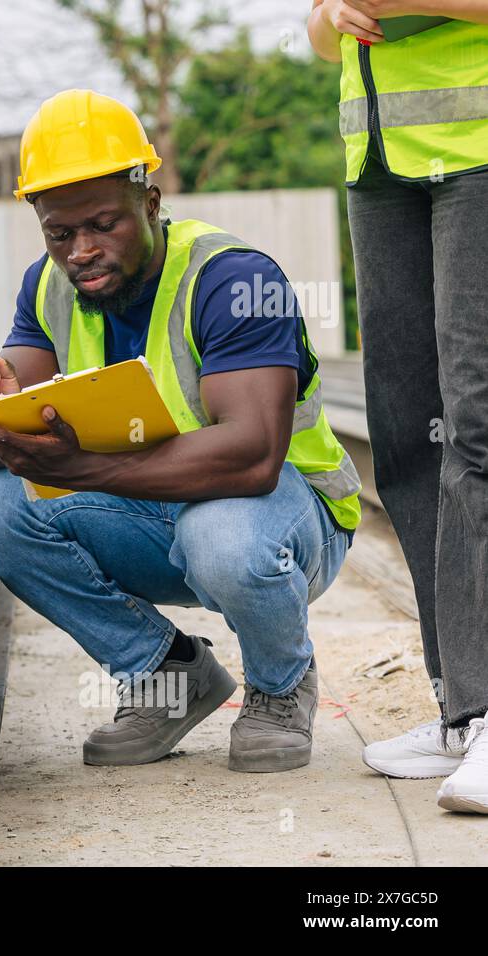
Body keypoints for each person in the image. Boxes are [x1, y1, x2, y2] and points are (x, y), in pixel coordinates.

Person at [0, 89, 362, 773]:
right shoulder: (47, 288)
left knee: (222, 534)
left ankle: (280, 686)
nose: (81, 251)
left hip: (285, 522)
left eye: (102, 224)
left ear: (149, 199)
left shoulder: (232, 279)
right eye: (60, 234)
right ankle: (168, 676)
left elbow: (253, 459)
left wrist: (82, 470)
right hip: (156, 515)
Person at [309, 2, 488, 812]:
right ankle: (458, 703)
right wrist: (332, 13)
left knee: (478, 425)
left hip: (477, 153)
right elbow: (321, 36)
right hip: (377, 167)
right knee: (407, 430)